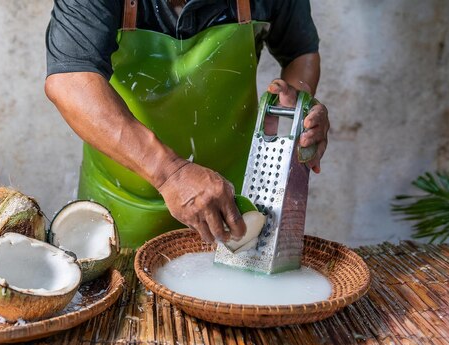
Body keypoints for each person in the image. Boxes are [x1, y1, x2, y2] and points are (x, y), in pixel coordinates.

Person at [45, 0, 330, 248]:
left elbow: (299, 52)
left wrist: (298, 107)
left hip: (231, 206)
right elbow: (70, 83)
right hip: (119, 215)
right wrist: (170, 173)